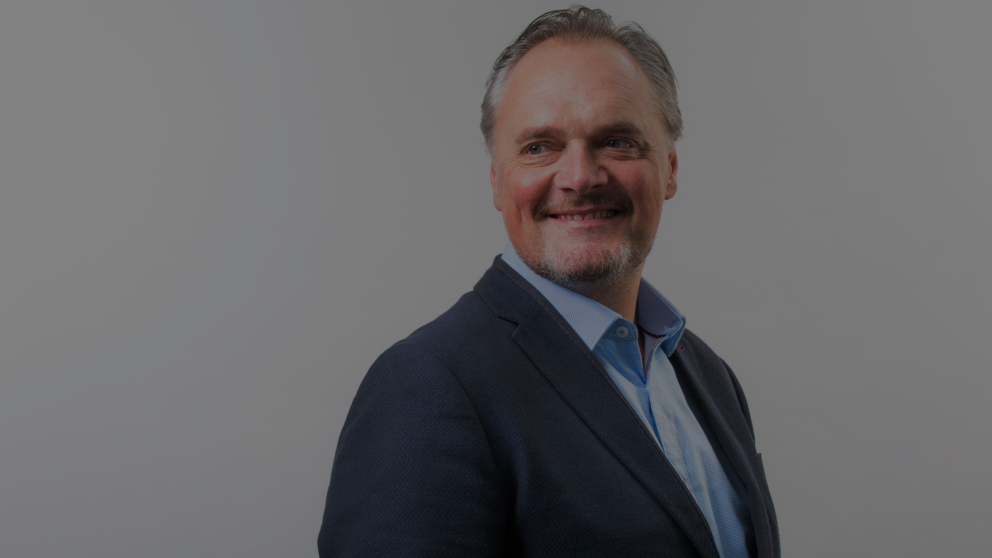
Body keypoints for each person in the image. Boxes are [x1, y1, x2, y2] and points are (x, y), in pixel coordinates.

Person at [319, 7, 779, 557]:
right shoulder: (427, 388)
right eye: (539, 146)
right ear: (497, 181)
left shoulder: (709, 376)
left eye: (617, 141)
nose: (580, 177)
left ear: (671, 169)